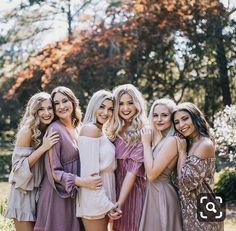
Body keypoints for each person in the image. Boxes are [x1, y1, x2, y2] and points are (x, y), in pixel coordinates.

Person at [34, 86, 102, 231]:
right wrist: (83, 182)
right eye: (56, 103)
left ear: (73, 102)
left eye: (65, 101)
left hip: (77, 194)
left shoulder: (79, 127)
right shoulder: (55, 129)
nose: (61, 106)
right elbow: (55, 172)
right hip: (58, 196)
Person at [5, 92, 59, 231]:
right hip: (23, 194)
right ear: (34, 111)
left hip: (42, 194)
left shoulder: (50, 129)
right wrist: (43, 148)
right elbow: (17, 170)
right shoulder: (27, 131)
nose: (46, 113)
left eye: (49, 108)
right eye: (41, 109)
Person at [172, 102, 224, 231]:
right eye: (177, 122)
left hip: (205, 215)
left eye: (185, 118)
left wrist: (182, 152)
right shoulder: (190, 143)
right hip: (191, 213)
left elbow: (185, 184)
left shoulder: (204, 145)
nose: (181, 125)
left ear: (195, 117)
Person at [107, 84, 147, 231]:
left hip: (134, 192)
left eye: (130, 103)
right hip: (114, 189)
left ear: (137, 104)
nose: (125, 108)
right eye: (121, 104)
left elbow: (132, 171)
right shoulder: (112, 131)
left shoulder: (143, 131)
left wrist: (119, 203)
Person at [138, 98, 183, 231]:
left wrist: (146, 144)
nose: (159, 119)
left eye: (164, 115)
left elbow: (151, 174)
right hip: (153, 193)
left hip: (162, 194)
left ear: (172, 117)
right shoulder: (162, 139)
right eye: (156, 115)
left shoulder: (172, 140)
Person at [76, 90, 116, 231]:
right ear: (94, 106)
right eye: (102, 106)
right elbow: (90, 177)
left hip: (104, 199)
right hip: (94, 200)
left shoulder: (101, 131)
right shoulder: (90, 130)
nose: (106, 112)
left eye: (110, 109)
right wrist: (107, 205)